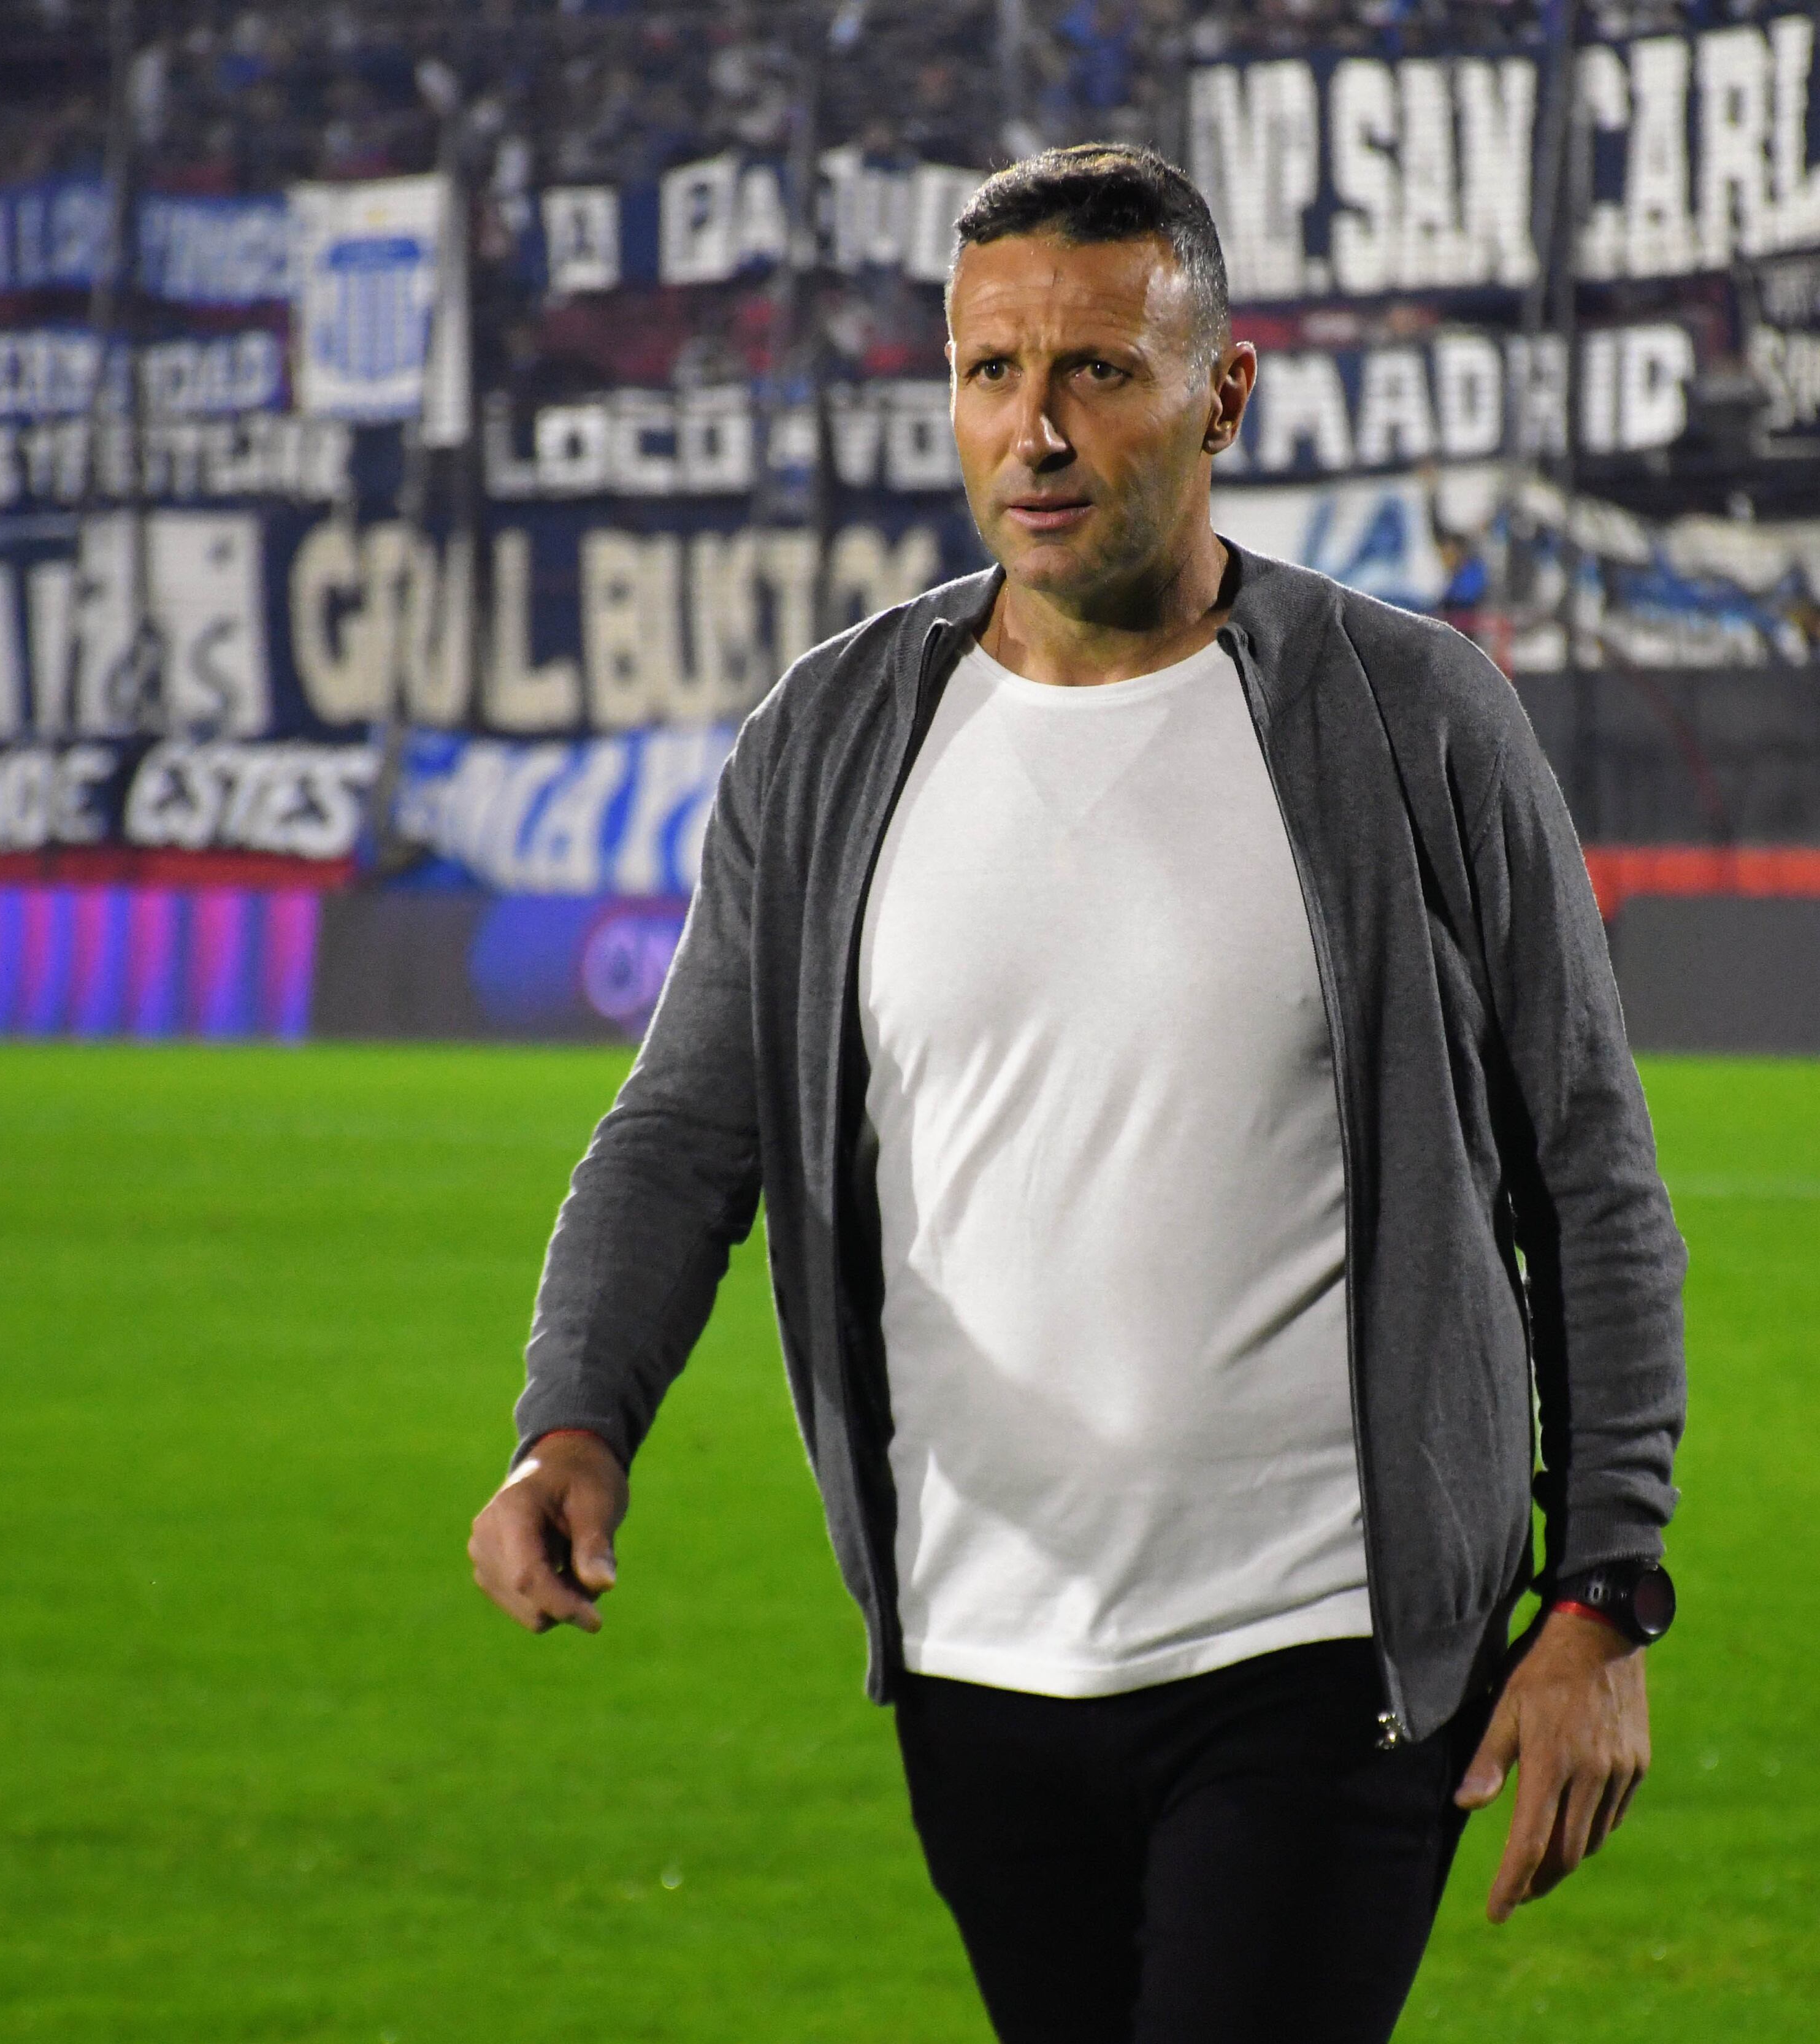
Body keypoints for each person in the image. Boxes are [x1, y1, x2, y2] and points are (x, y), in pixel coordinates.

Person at [467, 144, 1691, 2044]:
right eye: (989, 373)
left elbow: (1588, 1175)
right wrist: (576, 1424)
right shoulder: (837, 736)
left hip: (1324, 1658)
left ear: (1225, 389)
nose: (1033, 431)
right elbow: (684, 1130)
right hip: (974, 1658)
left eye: (1097, 372)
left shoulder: (1412, 718)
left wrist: (1606, 1586)